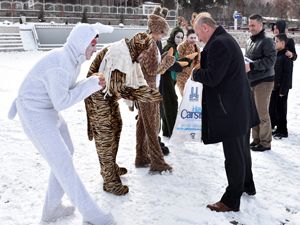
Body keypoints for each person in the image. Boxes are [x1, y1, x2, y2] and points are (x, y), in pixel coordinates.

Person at [7, 23, 115, 225]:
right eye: (92, 44)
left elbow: (65, 91)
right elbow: (62, 101)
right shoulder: (60, 64)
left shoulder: (70, 60)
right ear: (81, 43)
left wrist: (90, 81)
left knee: (67, 151)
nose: (95, 49)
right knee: (62, 161)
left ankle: (52, 209)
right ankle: (91, 214)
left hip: (46, 108)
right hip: (33, 112)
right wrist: (91, 84)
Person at [192, 12, 259, 212]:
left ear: (205, 27)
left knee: (234, 157)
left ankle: (231, 200)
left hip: (231, 110)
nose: (199, 38)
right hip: (238, 107)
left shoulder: (219, 43)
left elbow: (213, 77)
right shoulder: (224, 39)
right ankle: (248, 185)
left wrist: (195, 72)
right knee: (242, 152)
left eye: (198, 33)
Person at [84, 32, 162, 195]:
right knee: (106, 134)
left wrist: (149, 93)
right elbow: (117, 87)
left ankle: (110, 167)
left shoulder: (132, 53)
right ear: (139, 49)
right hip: (98, 94)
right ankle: (109, 181)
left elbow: (139, 79)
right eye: (146, 54)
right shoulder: (120, 54)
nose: (146, 58)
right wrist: (142, 95)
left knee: (117, 126)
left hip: (108, 96)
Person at [135, 7, 176, 172]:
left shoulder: (145, 41)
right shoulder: (151, 44)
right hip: (149, 88)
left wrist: (164, 61)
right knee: (152, 126)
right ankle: (157, 161)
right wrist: (168, 62)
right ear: (157, 29)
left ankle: (142, 156)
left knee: (143, 125)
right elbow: (153, 70)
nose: (163, 37)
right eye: (162, 33)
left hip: (144, 87)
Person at [245, 14, 277, 152]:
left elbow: (270, 61)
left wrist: (252, 66)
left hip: (264, 81)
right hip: (251, 80)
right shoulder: (249, 41)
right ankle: (256, 139)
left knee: (262, 113)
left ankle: (265, 142)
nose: (250, 27)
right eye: (249, 24)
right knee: (253, 112)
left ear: (260, 25)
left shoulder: (267, 41)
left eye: (253, 25)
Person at [160, 26, 185, 138]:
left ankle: (167, 131)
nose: (179, 39)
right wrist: (178, 67)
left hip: (171, 79)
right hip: (166, 79)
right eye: (177, 37)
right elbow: (165, 64)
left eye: (181, 37)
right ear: (173, 36)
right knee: (172, 104)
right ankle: (172, 132)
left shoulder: (174, 47)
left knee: (168, 104)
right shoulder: (169, 47)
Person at [269, 34, 293, 139]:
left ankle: (283, 131)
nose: (274, 43)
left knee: (281, 110)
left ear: (283, 43)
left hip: (282, 88)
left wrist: (283, 90)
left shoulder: (286, 56)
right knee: (274, 109)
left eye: (276, 41)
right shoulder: (276, 54)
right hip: (274, 87)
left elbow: (287, 74)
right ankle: (277, 129)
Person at [177, 28, 200, 96]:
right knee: (185, 97)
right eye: (191, 38)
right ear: (187, 38)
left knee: (191, 99)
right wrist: (191, 48)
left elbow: (198, 62)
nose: (193, 40)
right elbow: (181, 61)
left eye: (194, 38)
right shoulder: (181, 46)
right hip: (182, 77)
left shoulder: (197, 47)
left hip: (193, 77)